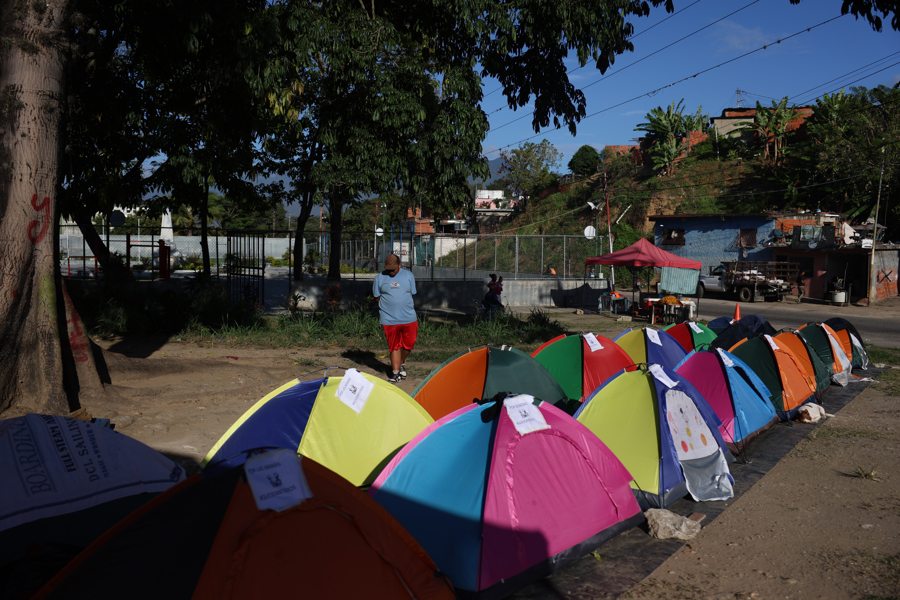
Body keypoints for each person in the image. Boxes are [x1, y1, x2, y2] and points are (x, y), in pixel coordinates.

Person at [373, 254, 417, 383]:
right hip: (389, 319)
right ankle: (395, 373)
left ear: (400, 265)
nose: (391, 272)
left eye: (394, 269)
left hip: (408, 317)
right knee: (394, 346)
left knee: (409, 344)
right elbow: (377, 296)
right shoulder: (379, 278)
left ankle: (400, 362)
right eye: (389, 269)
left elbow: (412, 293)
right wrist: (388, 306)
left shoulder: (409, 275)